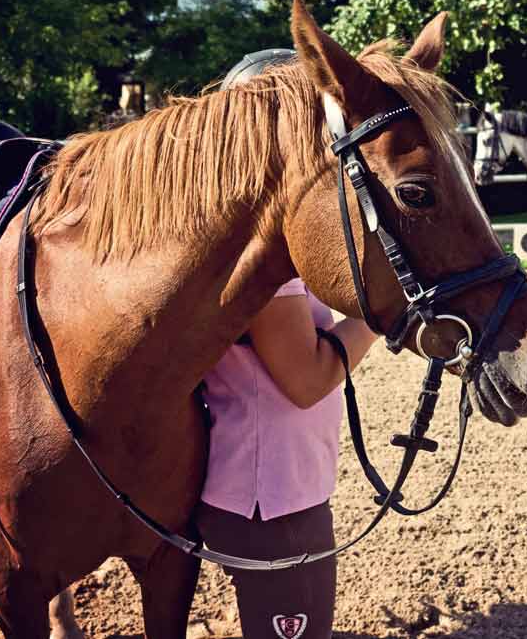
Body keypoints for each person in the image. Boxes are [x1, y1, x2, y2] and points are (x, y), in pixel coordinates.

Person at [196, 48, 381, 639]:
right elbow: (306, 380)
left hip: (266, 488)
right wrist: (381, 316)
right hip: (272, 501)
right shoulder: (261, 261)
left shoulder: (246, 232)